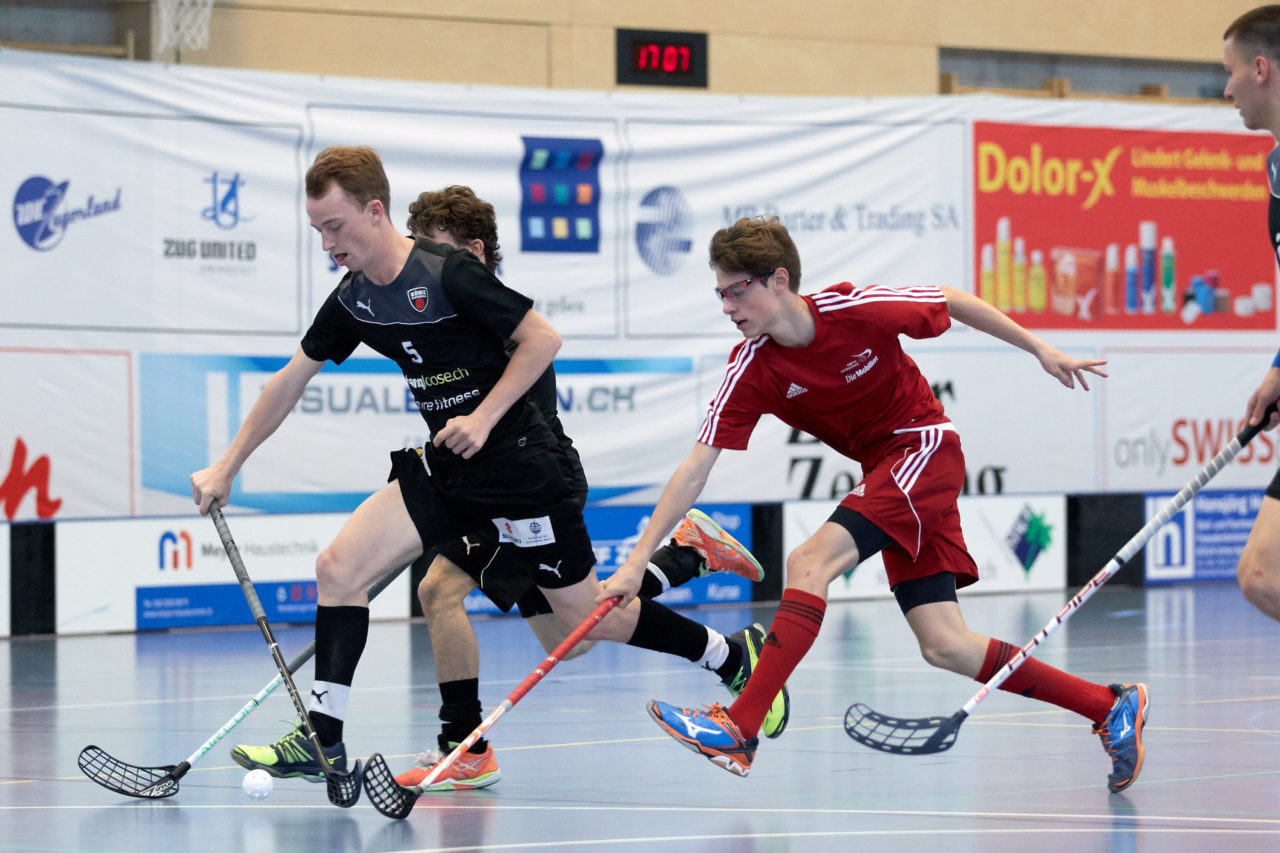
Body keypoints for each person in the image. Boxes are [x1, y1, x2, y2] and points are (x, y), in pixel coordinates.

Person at [189, 148, 788, 786]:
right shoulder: (355, 299)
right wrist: (228, 464)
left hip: (523, 473)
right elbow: (289, 381)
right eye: (317, 231)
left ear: (373, 210)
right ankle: (323, 738)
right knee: (339, 567)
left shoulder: (448, 273)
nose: (328, 243)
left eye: (335, 227)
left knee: (586, 622)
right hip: (449, 470)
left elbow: (544, 339)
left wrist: (482, 418)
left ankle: (726, 654)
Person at [602, 216, 1149, 793]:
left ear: (778, 280)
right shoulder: (752, 369)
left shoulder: (853, 308)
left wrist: (1040, 347)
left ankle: (741, 726)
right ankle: (1108, 705)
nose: (727, 307)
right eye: (720, 293)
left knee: (809, 563)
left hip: (925, 448)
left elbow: (950, 301)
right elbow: (696, 467)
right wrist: (638, 559)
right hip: (889, 472)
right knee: (945, 645)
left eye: (737, 290)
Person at [393, 185, 768, 790]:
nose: (423, 270)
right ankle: (690, 560)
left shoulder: (501, 321)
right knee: (572, 640)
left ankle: (463, 745)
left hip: (530, 488)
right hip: (485, 490)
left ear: (474, 251)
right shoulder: (446, 316)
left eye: (437, 253)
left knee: (441, 590)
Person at [1223, 6, 1280, 627]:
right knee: (1263, 574)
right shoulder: (1276, 167)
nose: (1226, 88)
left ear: (1261, 69)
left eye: (1232, 71)